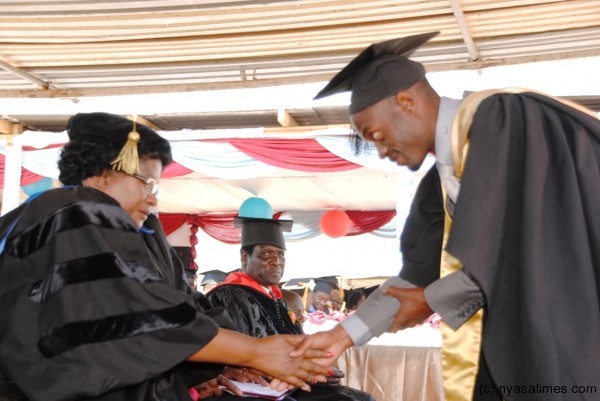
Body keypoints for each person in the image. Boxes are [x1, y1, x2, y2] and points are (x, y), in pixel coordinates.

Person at [295, 31, 600, 401]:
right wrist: (341, 336)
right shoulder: (443, 176)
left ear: (406, 102)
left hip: (572, 328)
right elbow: (417, 278)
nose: (379, 150)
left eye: (376, 134)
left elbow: (527, 247)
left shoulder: (502, 119)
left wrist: (432, 298)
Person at [0, 112, 329, 401]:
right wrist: (254, 351)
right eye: (147, 183)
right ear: (101, 174)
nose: (153, 201)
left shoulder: (139, 232)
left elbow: (184, 306)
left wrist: (222, 363)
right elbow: (137, 321)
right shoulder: (72, 213)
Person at [207, 215, 375, 401]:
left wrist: (315, 369)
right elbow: (244, 356)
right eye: (266, 254)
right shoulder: (231, 294)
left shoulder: (276, 298)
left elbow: (294, 344)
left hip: (286, 383)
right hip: (255, 387)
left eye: (280, 255)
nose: (276, 261)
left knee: (361, 398)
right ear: (245, 257)